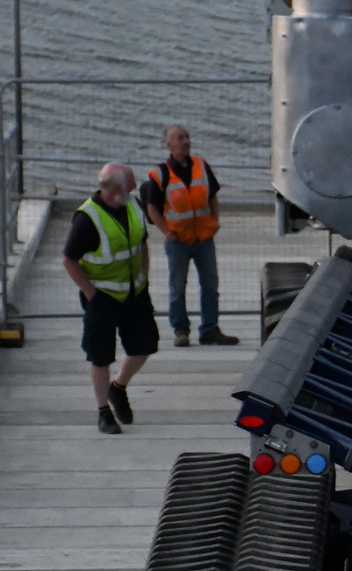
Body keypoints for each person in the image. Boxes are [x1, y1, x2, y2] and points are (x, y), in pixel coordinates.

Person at [62, 162, 159, 435]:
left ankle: (119, 387)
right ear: (115, 188)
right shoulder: (87, 218)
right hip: (102, 297)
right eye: (130, 182)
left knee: (145, 345)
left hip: (135, 292)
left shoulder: (133, 205)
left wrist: (144, 276)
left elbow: (142, 242)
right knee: (101, 355)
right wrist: (91, 295)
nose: (135, 186)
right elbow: (69, 260)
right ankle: (103, 411)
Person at [140, 125, 239, 348]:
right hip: (178, 242)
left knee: (210, 284)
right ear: (169, 145)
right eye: (179, 138)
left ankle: (210, 329)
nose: (185, 141)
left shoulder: (201, 166)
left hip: (204, 238)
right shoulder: (160, 174)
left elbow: (212, 197)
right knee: (177, 287)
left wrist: (214, 221)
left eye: (187, 137)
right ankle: (180, 329)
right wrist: (166, 232)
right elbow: (152, 208)